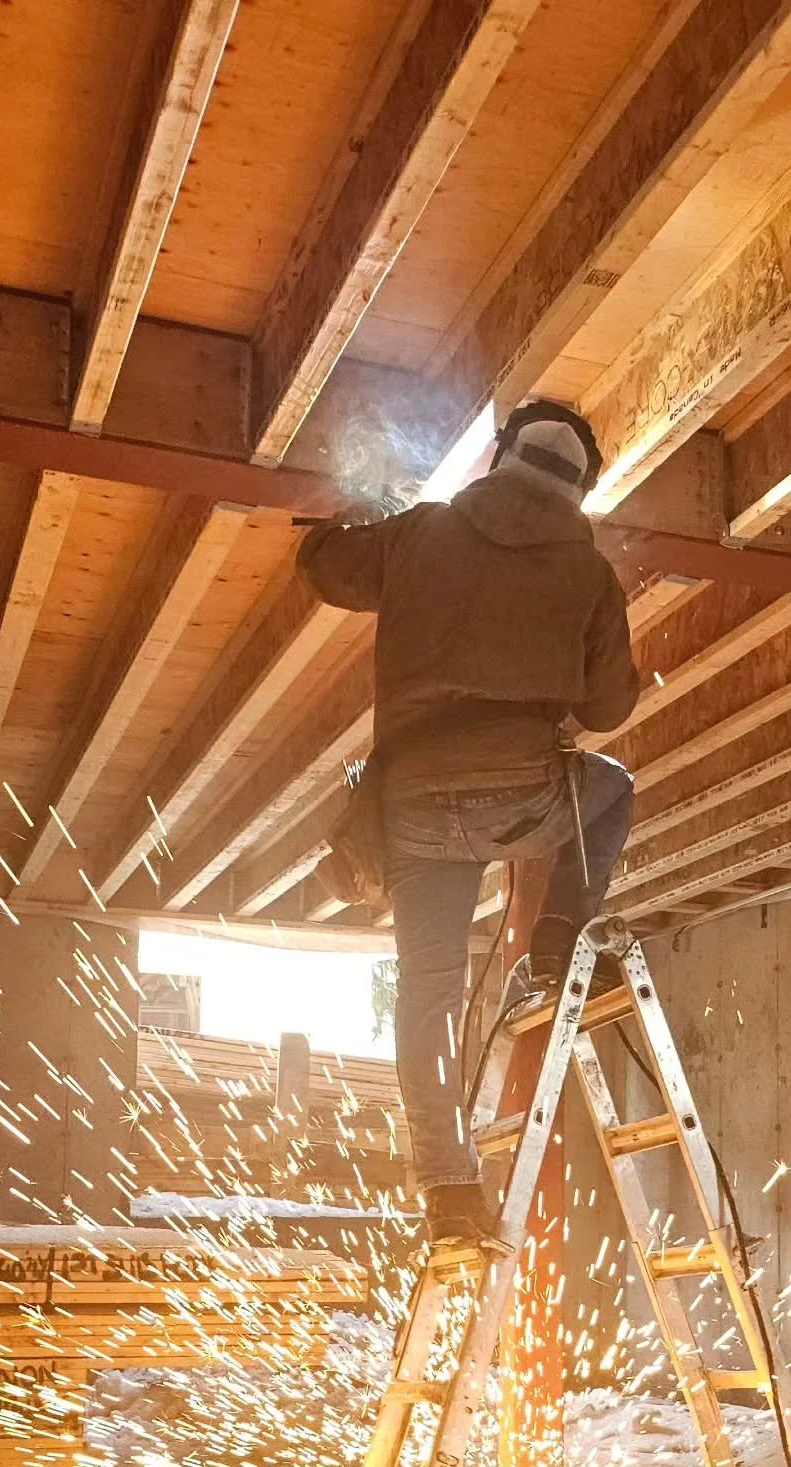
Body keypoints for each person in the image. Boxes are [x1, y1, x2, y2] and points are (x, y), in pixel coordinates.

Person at [297, 399, 640, 1251]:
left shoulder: (421, 532)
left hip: (413, 804)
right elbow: (605, 710)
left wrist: (355, 510)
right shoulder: (589, 573)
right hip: (522, 793)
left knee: (430, 996)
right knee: (612, 790)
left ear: (499, 459)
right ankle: (560, 946)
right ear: (580, 489)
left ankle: (449, 1191)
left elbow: (328, 569)